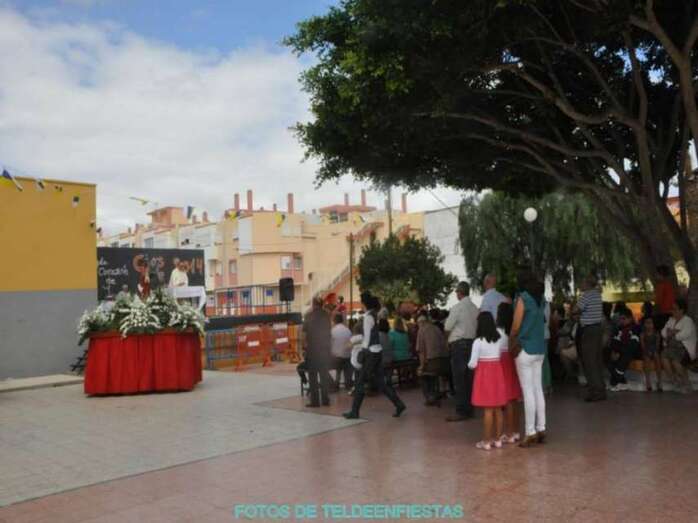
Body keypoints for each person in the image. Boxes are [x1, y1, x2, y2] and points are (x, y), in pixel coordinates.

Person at [343, 292, 406, 419]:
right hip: (377, 352)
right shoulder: (374, 315)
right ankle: (399, 404)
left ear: (364, 304)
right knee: (381, 383)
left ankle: (354, 412)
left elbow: (366, 339)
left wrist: (361, 349)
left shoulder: (367, 317)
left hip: (370, 353)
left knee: (360, 383)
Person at [510, 274, 547, 448]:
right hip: (540, 349)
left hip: (525, 349)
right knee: (538, 389)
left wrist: (511, 338)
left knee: (528, 392)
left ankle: (530, 431)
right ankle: (541, 428)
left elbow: (516, 325)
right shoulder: (541, 300)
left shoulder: (523, 299)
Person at [468, 312, 507, 451]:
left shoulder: (478, 342)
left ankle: (486, 441)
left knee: (488, 410)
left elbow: (473, 363)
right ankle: (497, 439)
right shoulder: (499, 339)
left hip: (484, 376)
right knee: (498, 408)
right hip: (497, 373)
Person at [444, 281, 479, 422]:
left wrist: (447, 341)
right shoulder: (475, 308)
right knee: (469, 379)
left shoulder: (457, 308)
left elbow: (447, 327)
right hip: (472, 344)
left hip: (459, 345)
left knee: (459, 379)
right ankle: (470, 409)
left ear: (459, 293)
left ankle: (461, 411)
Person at [575, 275, 606, 402]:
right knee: (597, 360)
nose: (580, 285)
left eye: (582, 282)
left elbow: (576, 310)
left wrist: (574, 310)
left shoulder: (586, 295)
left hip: (589, 330)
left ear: (587, 284)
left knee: (589, 361)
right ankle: (601, 388)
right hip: (597, 329)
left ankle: (595, 391)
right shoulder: (597, 294)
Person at [497, 302, 521, 445]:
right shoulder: (514, 331)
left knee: (506, 402)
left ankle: (508, 433)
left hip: (502, 365)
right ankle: (515, 431)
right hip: (513, 363)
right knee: (514, 400)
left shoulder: (497, 332)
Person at [302, 296, 333, 407]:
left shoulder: (308, 315)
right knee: (324, 375)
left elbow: (304, 334)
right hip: (324, 350)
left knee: (313, 376)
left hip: (312, 350)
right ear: (322, 304)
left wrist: (304, 348)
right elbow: (329, 332)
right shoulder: (327, 315)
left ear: (313, 304)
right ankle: (325, 400)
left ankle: (315, 401)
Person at [661, 299, 696, 394]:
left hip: (684, 349)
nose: (672, 311)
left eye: (675, 309)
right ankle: (675, 381)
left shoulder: (688, 321)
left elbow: (684, 335)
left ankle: (686, 383)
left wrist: (672, 333)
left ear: (682, 310)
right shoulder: (671, 320)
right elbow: (663, 332)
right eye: (672, 309)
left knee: (675, 362)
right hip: (671, 347)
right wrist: (673, 332)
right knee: (664, 357)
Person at [415, 312, 450, 406]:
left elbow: (421, 352)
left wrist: (421, 367)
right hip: (445, 362)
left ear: (420, 323)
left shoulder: (421, 330)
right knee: (432, 372)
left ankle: (430, 398)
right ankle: (436, 393)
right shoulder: (436, 328)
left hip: (433, 363)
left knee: (422, 374)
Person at [607, 309, 640, 392]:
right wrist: (615, 351)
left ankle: (615, 380)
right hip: (621, 350)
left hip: (633, 351)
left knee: (626, 354)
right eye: (620, 319)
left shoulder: (635, 328)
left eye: (624, 319)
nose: (622, 321)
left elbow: (633, 344)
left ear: (630, 318)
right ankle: (621, 381)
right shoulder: (619, 328)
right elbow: (614, 341)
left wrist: (619, 352)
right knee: (607, 352)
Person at [331, 313, 353, 390]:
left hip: (336, 359)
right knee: (345, 363)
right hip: (347, 357)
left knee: (333, 364)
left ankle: (335, 383)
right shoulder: (348, 330)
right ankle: (348, 383)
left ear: (334, 321)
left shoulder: (333, 331)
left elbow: (329, 344)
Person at [640, 316, 662, 392]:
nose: (649, 325)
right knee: (646, 358)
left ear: (653, 324)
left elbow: (657, 345)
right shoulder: (642, 334)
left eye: (650, 323)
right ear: (644, 324)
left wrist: (653, 351)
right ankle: (648, 381)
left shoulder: (656, 333)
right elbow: (643, 346)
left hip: (654, 350)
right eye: (647, 323)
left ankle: (659, 381)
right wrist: (647, 351)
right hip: (646, 350)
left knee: (657, 357)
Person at [654, 265, 676, 331]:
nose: (655, 276)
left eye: (656, 274)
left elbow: (659, 300)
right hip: (671, 312)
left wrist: (655, 310)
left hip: (663, 313)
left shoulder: (661, 285)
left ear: (661, 274)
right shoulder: (669, 285)